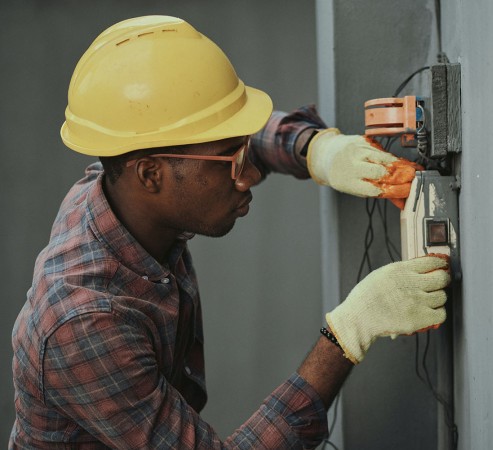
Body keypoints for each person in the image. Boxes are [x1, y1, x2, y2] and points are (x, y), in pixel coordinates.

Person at [10, 16, 450, 449]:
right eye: (231, 162)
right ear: (150, 175)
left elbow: (215, 138)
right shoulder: (84, 322)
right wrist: (349, 332)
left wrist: (315, 149)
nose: (248, 177)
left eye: (243, 152)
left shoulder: (121, 181)